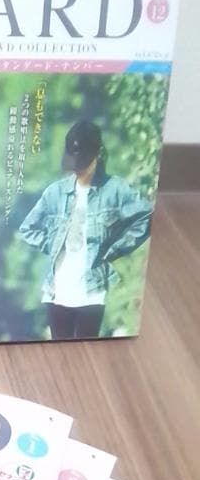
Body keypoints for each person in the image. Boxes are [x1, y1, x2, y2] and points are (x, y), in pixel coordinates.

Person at [18, 121, 154, 340]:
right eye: (74, 162)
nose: (77, 168)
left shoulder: (115, 189)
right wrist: (52, 244)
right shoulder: (55, 192)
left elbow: (147, 216)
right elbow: (27, 228)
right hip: (57, 291)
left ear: (98, 154)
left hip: (92, 291)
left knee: (86, 348)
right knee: (60, 350)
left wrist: (115, 249)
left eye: (83, 162)